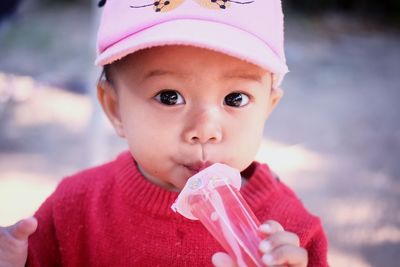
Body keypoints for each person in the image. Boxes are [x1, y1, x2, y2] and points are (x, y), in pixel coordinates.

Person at [0, 0, 329, 266]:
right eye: (169, 97)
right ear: (115, 109)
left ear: (267, 108)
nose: (204, 130)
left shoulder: (289, 232)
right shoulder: (74, 208)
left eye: (236, 98)